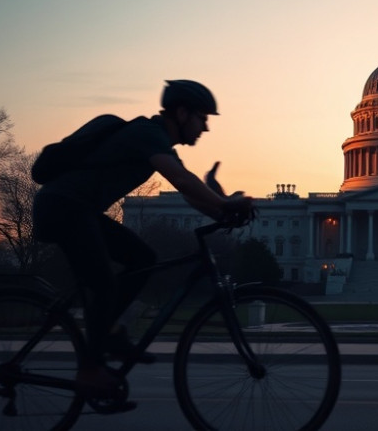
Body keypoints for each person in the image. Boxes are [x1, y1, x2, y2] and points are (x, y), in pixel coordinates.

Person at [33, 79, 253, 401]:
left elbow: (189, 193)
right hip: (64, 208)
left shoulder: (158, 142)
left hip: (78, 210)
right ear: (181, 113)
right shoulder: (147, 135)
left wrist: (221, 213)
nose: (205, 128)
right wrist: (223, 205)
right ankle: (91, 369)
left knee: (143, 259)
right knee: (105, 283)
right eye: (202, 118)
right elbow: (182, 180)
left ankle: (109, 334)